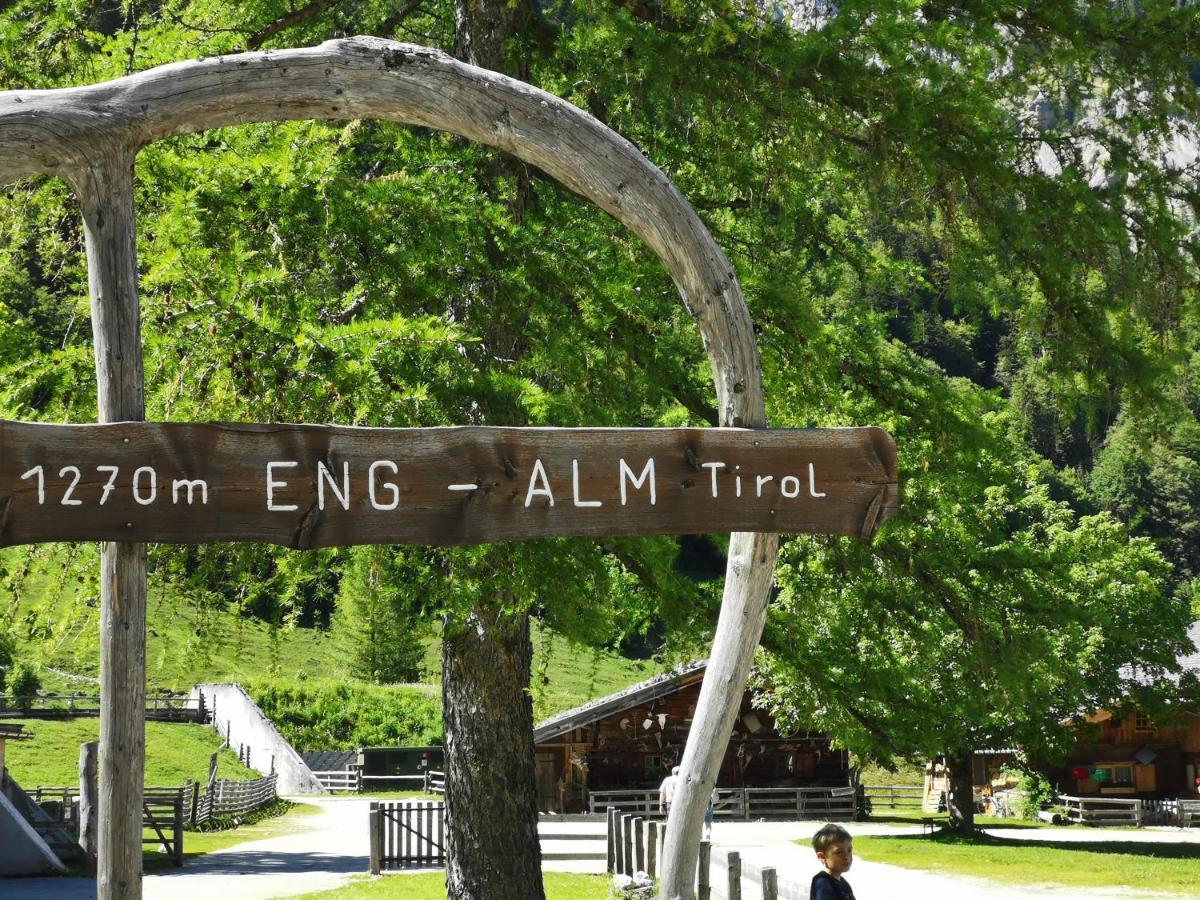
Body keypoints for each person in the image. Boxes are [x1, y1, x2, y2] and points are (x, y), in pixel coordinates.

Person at [810, 823, 855, 900]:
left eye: (849, 850)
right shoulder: (823, 884)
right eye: (839, 852)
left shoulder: (843, 883)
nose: (846, 857)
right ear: (822, 857)